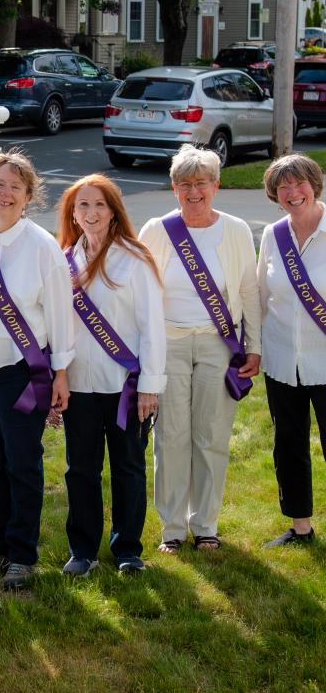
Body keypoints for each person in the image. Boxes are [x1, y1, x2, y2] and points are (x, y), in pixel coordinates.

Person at [139, 144, 261, 553]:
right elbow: (141, 293)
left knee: (211, 435)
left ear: (217, 185)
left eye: (202, 183)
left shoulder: (237, 230)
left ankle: (205, 524)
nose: (194, 192)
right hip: (168, 344)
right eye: (185, 184)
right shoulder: (157, 230)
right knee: (170, 437)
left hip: (217, 343)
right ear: (174, 188)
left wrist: (253, 346)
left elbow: (248, 290)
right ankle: (172, 528)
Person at [0, 151, 75, 589]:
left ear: (28, 197)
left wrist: (61, 372)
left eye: (15, 186)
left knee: (22, 462)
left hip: (22, 370)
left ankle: (23, 554)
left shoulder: (43, 246)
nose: (5, 193)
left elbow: (61, 313)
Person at [57, 174, 166, 576]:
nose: (91, 213)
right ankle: (82, 550)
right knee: (80, 469)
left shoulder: (135, 258)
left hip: (126, 387)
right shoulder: (63, 259)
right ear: (72, 212)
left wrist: (150, 386)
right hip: (80, 385)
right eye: (82, 205)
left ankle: (127, 550)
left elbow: (152, 326)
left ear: (114, 210)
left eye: (99, 204)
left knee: (128, 468)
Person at [258, 154, 326, 547]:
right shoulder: (272, 236)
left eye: (299, 183)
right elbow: (263, 296)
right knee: (289, 444)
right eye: (283, 187)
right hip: (284, 360)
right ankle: (300, 526)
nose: (292, 192)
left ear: (314, 185)